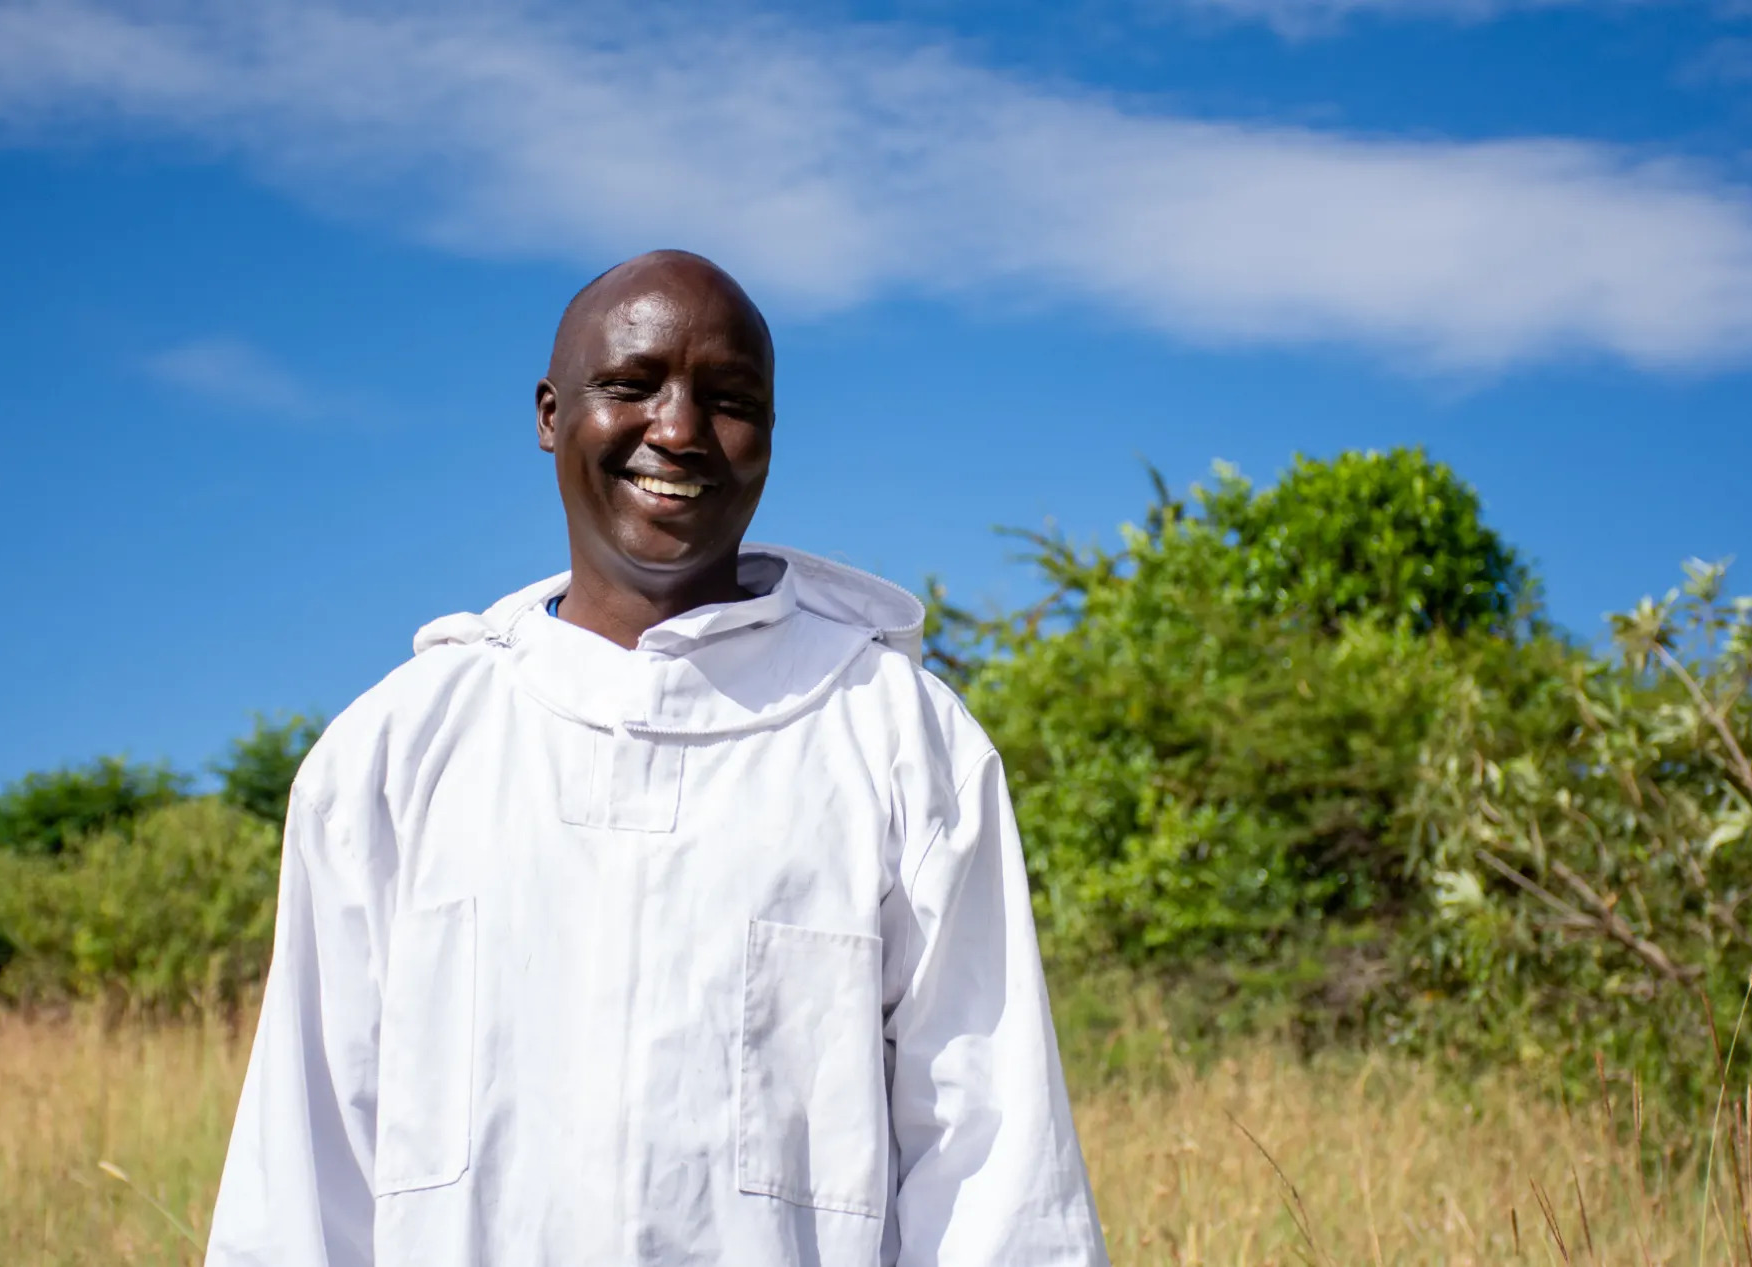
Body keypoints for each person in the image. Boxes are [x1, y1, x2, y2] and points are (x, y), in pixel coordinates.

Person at [205, 250, 1108, 1266]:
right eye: (631, 387)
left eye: (727, 400)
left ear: (769, 433)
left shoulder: (902, 742)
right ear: (550, 414)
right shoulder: (395, 751)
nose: (676, 432)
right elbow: (306, 1161)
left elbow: (992, 1159)